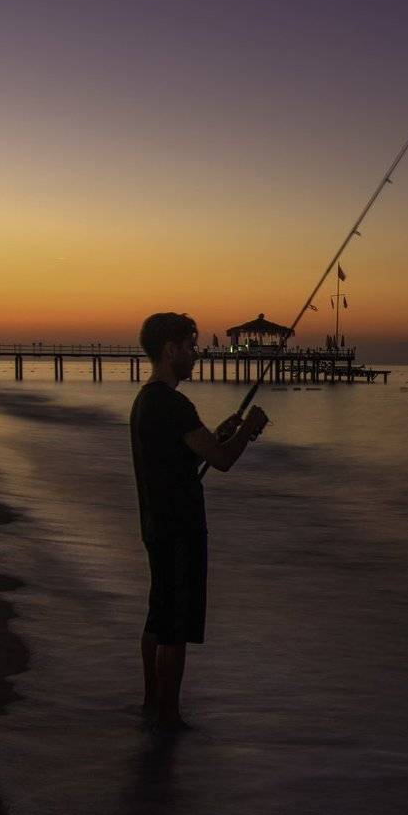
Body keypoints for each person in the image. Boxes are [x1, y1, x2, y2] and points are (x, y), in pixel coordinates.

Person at [131, 312, 268, 730]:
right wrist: (249, 429)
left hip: (155, 522)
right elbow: (222, 460)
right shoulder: (175, 405)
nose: (196, 354)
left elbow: (186, 456)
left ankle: (151, 701)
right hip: (181, 527)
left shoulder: (146, 402)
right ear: (170, 349)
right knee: (175, 626)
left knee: (158, 614)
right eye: (190, 347)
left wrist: (223, 432)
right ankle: (169, 717)